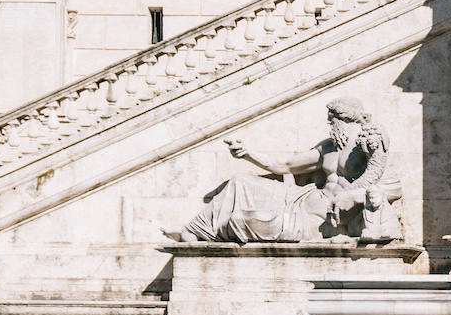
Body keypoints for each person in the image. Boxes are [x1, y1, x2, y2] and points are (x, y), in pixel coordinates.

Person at [161, 98, 400, 244]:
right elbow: (284, 166)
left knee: (248, 221)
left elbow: (387, 183)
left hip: (322, 216)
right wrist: (247, 154)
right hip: (301, 198)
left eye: (332, 120)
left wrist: (353, 195)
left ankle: (205, 231)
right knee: (239, 181)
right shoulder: (328, 147)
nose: (330, 125)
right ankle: (194, 230)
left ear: (345, 119)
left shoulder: (369, 143)